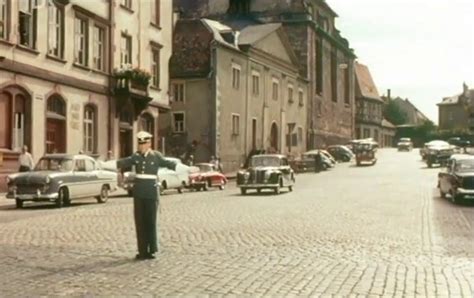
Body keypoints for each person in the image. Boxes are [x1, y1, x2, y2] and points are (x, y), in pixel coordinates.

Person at [116, 131, 177, 260]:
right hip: (138, 193)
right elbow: (122, 162)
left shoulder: (156, 156)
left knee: (151, 222)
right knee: (140, 222)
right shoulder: (136, 157)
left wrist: (188, 169)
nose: (141, 147)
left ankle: (152, 249)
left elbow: (170, 164)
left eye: (144, 144)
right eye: (140, 144)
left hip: (150, 193)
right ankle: (142, 250)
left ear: (149, 144)